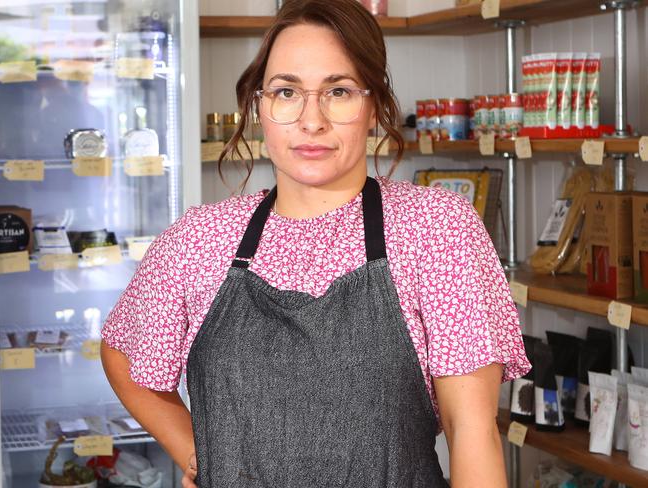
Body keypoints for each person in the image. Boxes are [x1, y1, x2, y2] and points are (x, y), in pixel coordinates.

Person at [100, 0, 531, 486]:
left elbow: (471, 430)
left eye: (339, 91)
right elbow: (125, 355)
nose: (312, 121)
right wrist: (198, 454)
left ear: (374, 106)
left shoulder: (435, 229)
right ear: (259, 105)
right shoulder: (201, 239)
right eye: (287, 91)